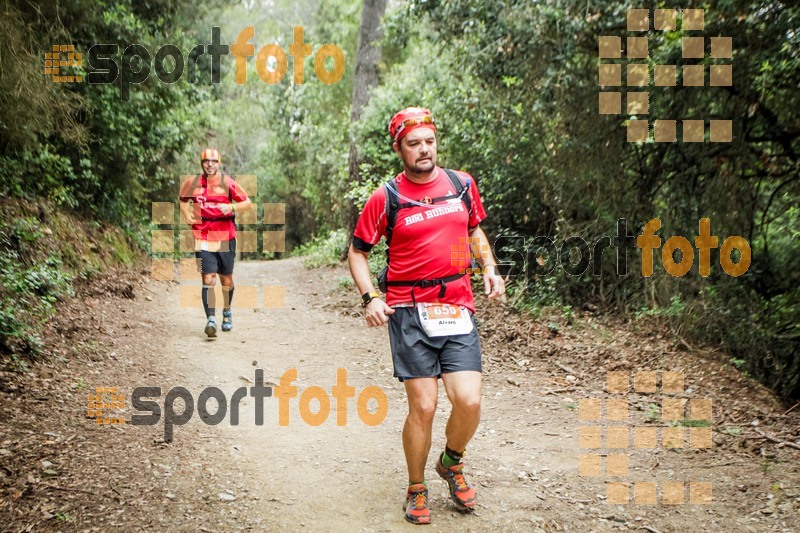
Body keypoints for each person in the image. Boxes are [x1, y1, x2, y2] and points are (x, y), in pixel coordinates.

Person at [347, 107, 505, 524]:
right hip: (409, 312)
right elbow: (358, 252)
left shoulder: (460, 185)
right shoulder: (387, 197)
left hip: (457, 306)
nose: (424, 150)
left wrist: (489, 269)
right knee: (425, 405)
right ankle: (417, 487)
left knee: (468, 400)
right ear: (399, 148)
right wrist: (370, 297)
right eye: (413, 143)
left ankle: (451, 462)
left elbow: (473, 230)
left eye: (429, 141)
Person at [179, 148, 252, 338]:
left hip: (226, 237)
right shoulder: (192, 183)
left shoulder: (227, 183)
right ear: (201, 163)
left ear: (219, 163)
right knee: (208, 278)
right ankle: (210, 320)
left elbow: (247, 203)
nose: (209, 164)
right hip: (202, 237)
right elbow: (182, 199)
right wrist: (187, 215)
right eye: (206, 161)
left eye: (213, 161)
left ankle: (226, 312)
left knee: (225, 280)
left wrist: (231, 206)